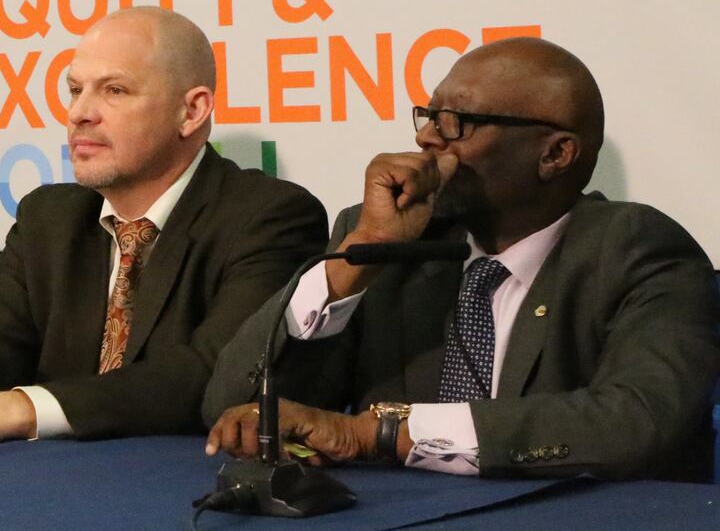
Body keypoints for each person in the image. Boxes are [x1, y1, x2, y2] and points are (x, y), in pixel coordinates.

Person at [202, 38, 719, 480]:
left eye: (457, 123)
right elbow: (231, 402)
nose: (426, 138)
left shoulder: (636, 248)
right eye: (427, 117)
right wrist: (355, 261)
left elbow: (639, 420)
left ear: (555, 154)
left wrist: (378, 434)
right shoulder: (391, 242)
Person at [0, 7, 329, 448]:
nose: (79, 113)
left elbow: (212, 376)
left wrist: (20, 409)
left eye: (114, 90)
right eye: (75, 89)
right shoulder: (50, 218)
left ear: (191, 111)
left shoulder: (268, 217)